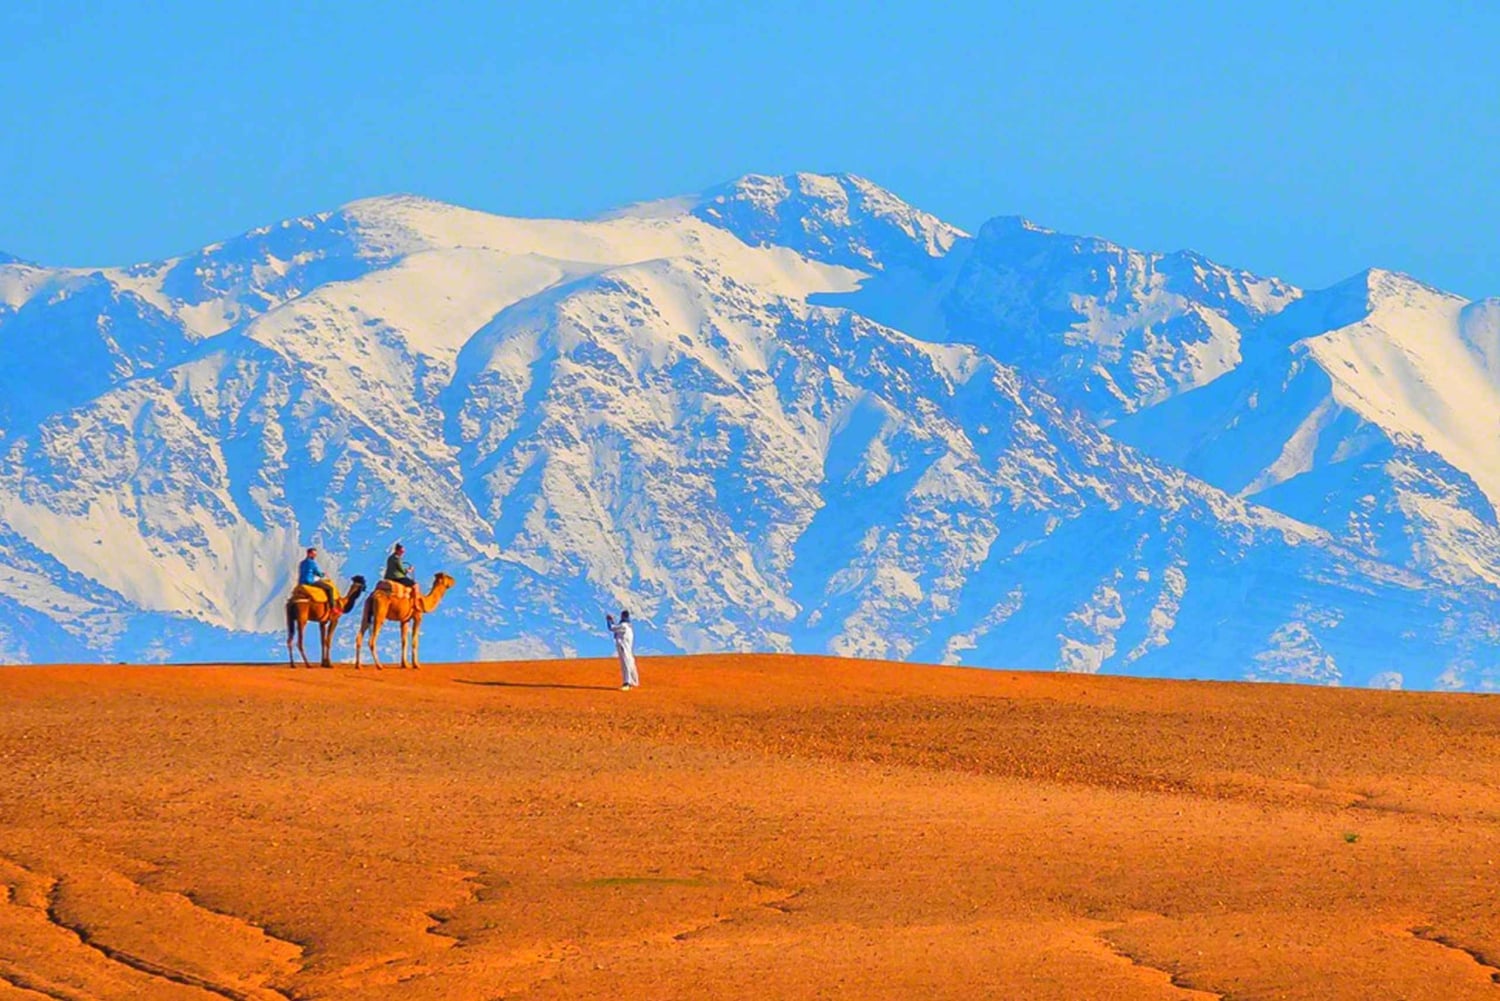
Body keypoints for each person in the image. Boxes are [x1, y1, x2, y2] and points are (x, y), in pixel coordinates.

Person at [606, 609, 639, 690]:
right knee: (630, 664)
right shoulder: (628, 626)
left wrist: (609, 620)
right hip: (627, 648)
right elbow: (616, 629)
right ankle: (633, 682)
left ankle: (627, 683)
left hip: (623, 647)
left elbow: (612, 628)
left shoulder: (624, 626)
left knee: (626, 664)